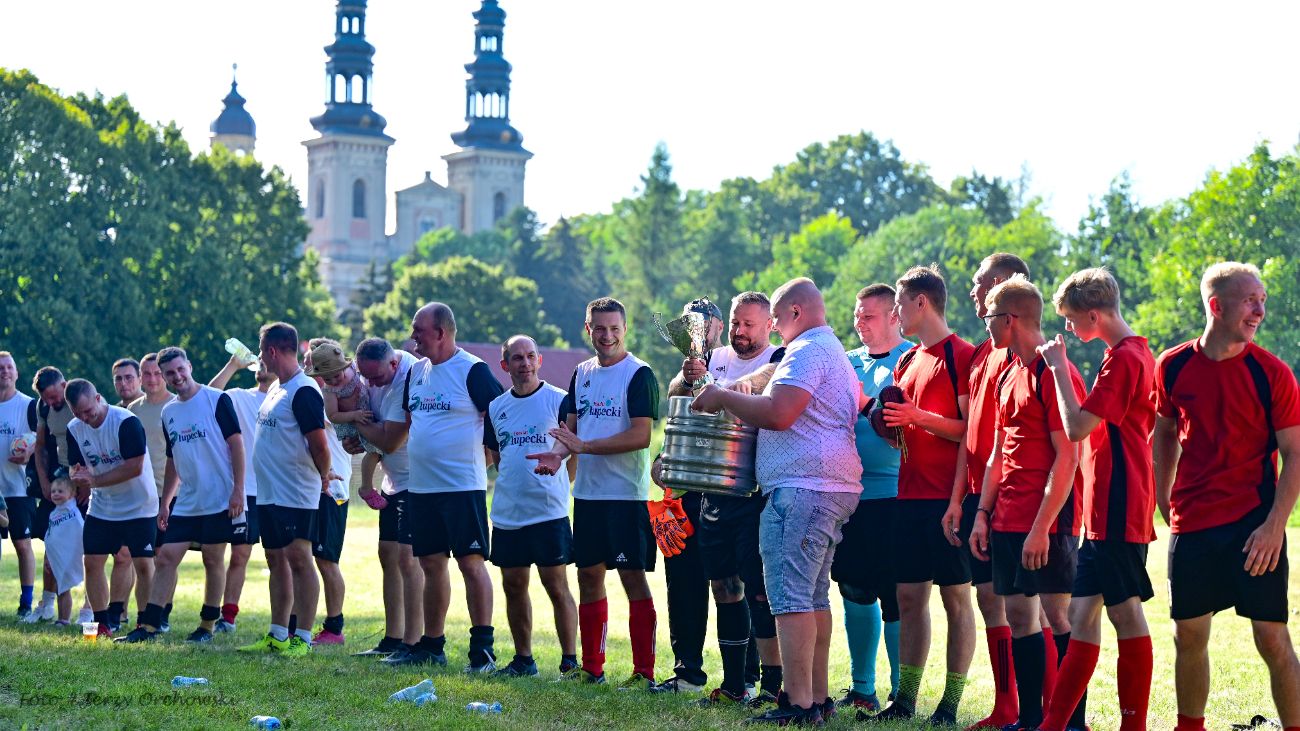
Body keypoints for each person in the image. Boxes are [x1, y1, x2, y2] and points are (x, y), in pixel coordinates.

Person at [692, 277, 862, 725]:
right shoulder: (834, 352)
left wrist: (722, 396)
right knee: (814, 598)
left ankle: (798, 702)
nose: (777, 330)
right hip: (829, 488)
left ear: (794, 314)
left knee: (789, 600)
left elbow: (779, 413)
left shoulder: (805, 351)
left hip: (803, 490)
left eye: (778, 321)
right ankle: (818, 698)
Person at [1153, 262, 1300, 731]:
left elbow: (1295, 455)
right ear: (1216, 306)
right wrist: (1163, 500)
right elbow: (1165, 433)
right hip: (1193, 525)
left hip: (1256, 526)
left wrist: (1274, 526)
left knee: (1272, 640)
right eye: (1250, 301)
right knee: (1188, 637)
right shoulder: (1172, 365)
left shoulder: (1271, 373)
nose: (1260, 310)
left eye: (1263, 300)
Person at [1032, 267, 1156, 731]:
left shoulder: (1126, 358)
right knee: (1082, 615)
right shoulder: (1127, 353)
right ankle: (1054, 725)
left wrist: (1060, 369)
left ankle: (1133, 725)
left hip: (1123, 503)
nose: (1066, 327)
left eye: (1069, 318)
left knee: (1126, 613)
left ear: (1094, 314)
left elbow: (1078, 427)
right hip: (1106, 507)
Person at [656, 291, 785, 706]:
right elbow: (680, 396)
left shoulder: (780, 356)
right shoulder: (718, 356)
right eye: (735, 324)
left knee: (757, 588)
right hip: (712, 491)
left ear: (768, 324)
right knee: (723, 585)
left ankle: (769, 685)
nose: (740, 331)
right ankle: (733, 686)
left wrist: (732, 388)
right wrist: (688, 373)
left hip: (753, 490)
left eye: (749, 324)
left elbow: (768, 377)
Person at [968, 275, 1085, 731]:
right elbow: (999, 451)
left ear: (1010, 319)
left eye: (989, 317)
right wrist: (982, 513)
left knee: (1058, 614)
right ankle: (1032, 720)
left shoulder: (1054, 373)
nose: (985, 325)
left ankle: (1072, 721)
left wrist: (1041, 527)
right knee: (1019, 614)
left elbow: (1068, 455)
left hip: (1047, 520)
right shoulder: (1008, 371)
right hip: (1006, 518)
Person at [531, 297, 661, 688]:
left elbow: (641, 436)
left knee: (631, 577)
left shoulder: (640, 374)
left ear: (625, 330)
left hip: (625, 497)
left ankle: (644, 673)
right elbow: (570, 432)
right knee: (588, 575)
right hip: (587, 495)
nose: (607, 336)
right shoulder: (581, 373)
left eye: (614, 329)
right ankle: (593, 668)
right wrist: (557, 456)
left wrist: (584, 447)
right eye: (599, 329)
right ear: (588, 329)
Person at [872, 265, 976, 725]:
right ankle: (906, 700)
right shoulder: (906, 360)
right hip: (907, 497)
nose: (895, 313)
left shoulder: (964, 356)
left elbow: (970, 433)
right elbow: (906, 432)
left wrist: (917, 416)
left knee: (956, 601)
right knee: (910, 599)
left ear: (921, 303)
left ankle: (950, 704)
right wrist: (889, 426)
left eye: (899, 304)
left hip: (949, 500)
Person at [940, 252, 1041, 729]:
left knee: (1029, 609)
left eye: (979, 282)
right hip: (981, 495)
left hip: (1016, 497)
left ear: (1002, 285)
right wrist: (960, 499)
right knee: (989, 599)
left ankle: (1042, 710)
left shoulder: (1024, 355)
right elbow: (973, 434)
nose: (972, 291)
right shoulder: (984, 352)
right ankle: (1009, 705)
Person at [383, 303, 504, 671]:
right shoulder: (416, 372)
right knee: (431, 564)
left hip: (462, 488)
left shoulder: (472, 370)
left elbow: (500, 415)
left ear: (441, 332)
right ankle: (431, 647)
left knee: (471, 564)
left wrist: (489, 463)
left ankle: (482, 650)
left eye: (419, 329)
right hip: (421, 489)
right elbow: (408, 423)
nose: (413, 335)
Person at [117, 347, 245, 645]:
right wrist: (165, 502)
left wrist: (238, 489)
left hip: (219, 497)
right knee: (166, 558)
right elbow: (173, 458)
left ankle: (207, 625)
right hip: (187, 501)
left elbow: (237, 445)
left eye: (180, 369)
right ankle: (149, 626)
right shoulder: (169, 412)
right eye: (169, 373)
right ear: (163, 376)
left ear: (189, 365)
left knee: (213, 559)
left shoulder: (216, 399)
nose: (177, 376)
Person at [834, 284, 912, 712]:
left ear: (893, 316)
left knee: (895, 593)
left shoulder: (912, 360)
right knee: (853, 588)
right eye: (856, 316)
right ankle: (862, 688)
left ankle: (902, 692)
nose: (860, 324)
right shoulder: (846, 362)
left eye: (869, 316)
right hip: (851, 495)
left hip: (898, 495)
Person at [482, 334, 579, 678]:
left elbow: (573, 450)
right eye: (516, 358)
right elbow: (495, 456)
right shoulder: (496, 407)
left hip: (548, 512)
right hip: (508, 512)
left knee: (556, 586)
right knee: (513, 586)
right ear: (505, 365)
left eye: (529, 357)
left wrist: (558, 485)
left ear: (539, 361)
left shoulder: (559, 400)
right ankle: (524, 660)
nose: (524, 364)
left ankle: (570, 661)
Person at [238, 321, 332, 658]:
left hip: (296, 492)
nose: (260, 357)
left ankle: (302, 638)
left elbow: (320, 445)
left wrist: (323, 478)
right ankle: (278, 634)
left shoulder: (304, 390)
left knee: (299, 559)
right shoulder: (278, 387)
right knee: (276, 559)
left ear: (273, 351)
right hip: (270, 494)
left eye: (262, 350)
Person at [64, 379, 158, 639]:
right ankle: (101, 623)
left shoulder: (125, 422)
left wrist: (93, 481)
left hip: (139, 505)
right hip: (103, 507)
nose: (85, 417)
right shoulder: (74, 428)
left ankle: (145, 624)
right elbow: (75, 465)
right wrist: (77, 474)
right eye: (77, 413)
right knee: (92, 562)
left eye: (88, 411)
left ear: (98, 398)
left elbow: (134, 467)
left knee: (142, 563)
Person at [349, 337, 423, 659]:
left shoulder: (407, 379)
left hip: (418, 480)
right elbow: (369, 432)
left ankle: (414, 641)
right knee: (387, 555)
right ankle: (392, 639)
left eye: (376, 377)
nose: (371, 383)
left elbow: (390, 441)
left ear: (393, 363)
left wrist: (360, 427)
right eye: (366, 376)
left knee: (409, 560)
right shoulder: (371, 377)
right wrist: (357, 438)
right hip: (394, 482)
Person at [208, 352, 275, 633]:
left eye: (267, 359)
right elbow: (208, 396)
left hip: (276, 491)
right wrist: (233, 365)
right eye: (258, 359)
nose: (262, 363)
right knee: (239, 554)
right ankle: (228, 617)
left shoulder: (285, 397)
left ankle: (288, 622)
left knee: (281, 558)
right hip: (244, 489)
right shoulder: (240, 396)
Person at [303, 338, 354, 646]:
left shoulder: (337, 397)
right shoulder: (316, 393)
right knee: (304, 557)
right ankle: (298, 622)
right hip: (309, 486)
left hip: (332, 487)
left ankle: (334, 628)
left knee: (326, 559)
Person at [124, 352, 174, 630]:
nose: (153, 379)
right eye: (147, 374)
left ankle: (163, 613)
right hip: (142, 495)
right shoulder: (134, 409)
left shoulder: (176, 404)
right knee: (144, 558)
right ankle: (146, 614)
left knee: (165, 556)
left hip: (172, 491)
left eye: (158, 373)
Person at [0, 352, 38, 620]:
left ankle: (26, 603)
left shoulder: (28, 405)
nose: (4, 371)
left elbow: (41, 438)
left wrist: (29, 451)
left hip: (18, 488)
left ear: (17, 373)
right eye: (0, 368)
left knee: (22, 544)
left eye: (9, 367)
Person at [43, 473, 84, 626]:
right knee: (61, 587)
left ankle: (86, 613)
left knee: (66, 585)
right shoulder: (54, 514)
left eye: (60, 491)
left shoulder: (72, 513)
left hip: (72, 556)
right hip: (58, 557)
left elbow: (78, 531)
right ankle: (63, 619)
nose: (56, 494)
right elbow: (51, 537)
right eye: (53, 491)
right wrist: (49, 558)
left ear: (72, 493)